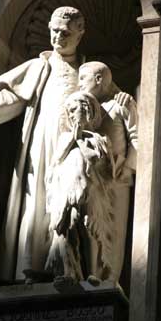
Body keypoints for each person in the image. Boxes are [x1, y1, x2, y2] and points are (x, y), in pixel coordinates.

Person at [0, 7, 131, 283]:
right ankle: (32, 267)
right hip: (43, 141)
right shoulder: (41, 66)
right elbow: (12, 98)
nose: (58, 37)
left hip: (75, 145)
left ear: (80, 34)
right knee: (36, 201)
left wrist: (122, 99)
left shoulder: (88, 69)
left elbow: (109, 98)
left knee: (73, 201)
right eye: (54, 31)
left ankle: (77, 268)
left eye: (65, 32)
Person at [45, 91, 116, 284]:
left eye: (81, 108)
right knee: (66, 228)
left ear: (90, 112)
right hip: (67, 191)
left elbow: (102, 163)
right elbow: (57, 160)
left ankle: (93, 273)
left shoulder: (99, 139)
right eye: (72, 109)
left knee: (89, 227)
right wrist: (72, 138)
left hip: (91, 191)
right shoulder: (64, 138)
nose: (75, 112)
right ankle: (68, 273)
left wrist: (80, 140)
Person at [77, 61, 138, 283]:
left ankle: (110, 279)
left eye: (83, 79)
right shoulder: (85, 108)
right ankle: (90, 272)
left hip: (117, 177)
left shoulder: (122, 104)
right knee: (91, 224)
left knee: (115, 230)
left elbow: (137, 139)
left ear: (99, 79)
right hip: (93, 177)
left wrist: (127, 168)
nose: (79, 84)